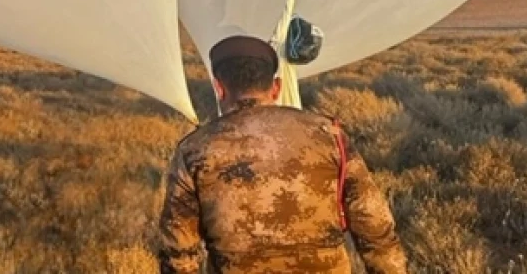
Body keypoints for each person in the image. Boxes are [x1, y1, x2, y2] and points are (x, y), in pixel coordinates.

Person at [157, 35, 408, 274]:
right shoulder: (329, 135)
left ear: (219, 88)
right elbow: (374, 227)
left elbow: (178, 250)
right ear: (276, 87)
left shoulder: (195, 149)